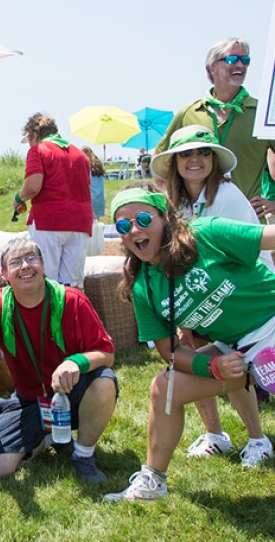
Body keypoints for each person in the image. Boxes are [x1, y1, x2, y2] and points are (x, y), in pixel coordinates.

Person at [105, 187, 275, 502]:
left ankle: (258, 440)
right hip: (239, 351)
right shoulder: (144, 287)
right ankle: (153, 482)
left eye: (143, 219)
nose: (135, 230)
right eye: (124, 226)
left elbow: (270, 237)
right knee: (164, 387)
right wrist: (212, 365)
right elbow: (169, 352)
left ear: (165, 218)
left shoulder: (206, 234)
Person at [152, 126, 271, 464]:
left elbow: (239, 252)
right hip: (201, 293)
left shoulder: (228, 196)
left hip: (243, 292)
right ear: (174, 162)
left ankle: (258, 439)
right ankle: (215, 435)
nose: (194, 160)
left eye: (203, 152)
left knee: (236, 363)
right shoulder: (173, 204)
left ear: (214, 159)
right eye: (186, 154)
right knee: (191, 354)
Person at [0, 238, 117, 483]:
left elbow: (106, 352)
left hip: (73, 394)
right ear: (4, 273)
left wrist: (75, 363)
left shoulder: (72, 300)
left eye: (32, 258)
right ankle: (46, 436)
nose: (25, 266)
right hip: (29, 401)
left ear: (43, 264)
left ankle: (83, 454)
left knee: (105, 381)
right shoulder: (0, 302)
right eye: (16, 262)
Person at [157, 37, 275, 203]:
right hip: (198, 222)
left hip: (247, 222)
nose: (240, 65)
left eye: (245, 60)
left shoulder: (262, 113)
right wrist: (174, 203)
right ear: (211, 67)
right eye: (232, 59)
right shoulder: (189, 113)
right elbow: (160, 162)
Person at [13, 113, 93, 288]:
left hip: (49, 222)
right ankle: (69, 315)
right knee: (72, 286)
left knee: (46, 281)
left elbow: (33, 186)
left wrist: (19, 197)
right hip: (80, 223)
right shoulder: (80, 154)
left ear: (34, 135)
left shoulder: (38, 150)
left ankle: (49, 316)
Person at [83, 146, 106, 219]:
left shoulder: (85, 166)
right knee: (96, 222)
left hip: (89, 197)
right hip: (99, 198)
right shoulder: (98, 167)